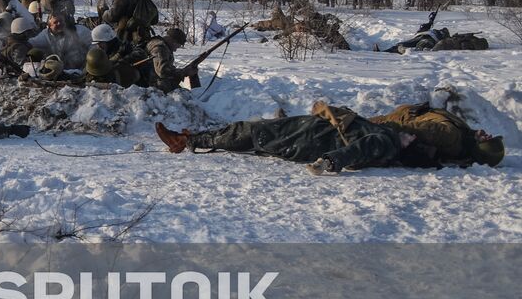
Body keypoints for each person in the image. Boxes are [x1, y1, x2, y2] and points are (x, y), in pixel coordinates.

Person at [156, 99, 505, 175]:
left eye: (488, 138)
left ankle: (187, 141)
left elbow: (364, 145)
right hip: (316, 132)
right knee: (253, 134)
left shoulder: (385, 141)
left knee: (254, 133)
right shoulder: (387, 136)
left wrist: (330, 162)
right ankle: (194, 138)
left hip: (311, 141)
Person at [84, 23, 141, 88]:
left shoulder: (123, 48)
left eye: (100, 43)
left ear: (108, 41)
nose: (98, 46)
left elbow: (140, 53)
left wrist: (122, 59)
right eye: (97, 43)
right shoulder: (104, 51)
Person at [141, 27, 192, 93]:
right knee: (182, 94)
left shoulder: (164, 46)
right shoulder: (160, 48)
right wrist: (183, 72)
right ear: (172, 41)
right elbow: (163, 72)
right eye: (177, 45)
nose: (176, 49)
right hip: (149, 83)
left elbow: (167, 68)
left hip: (152, 79)